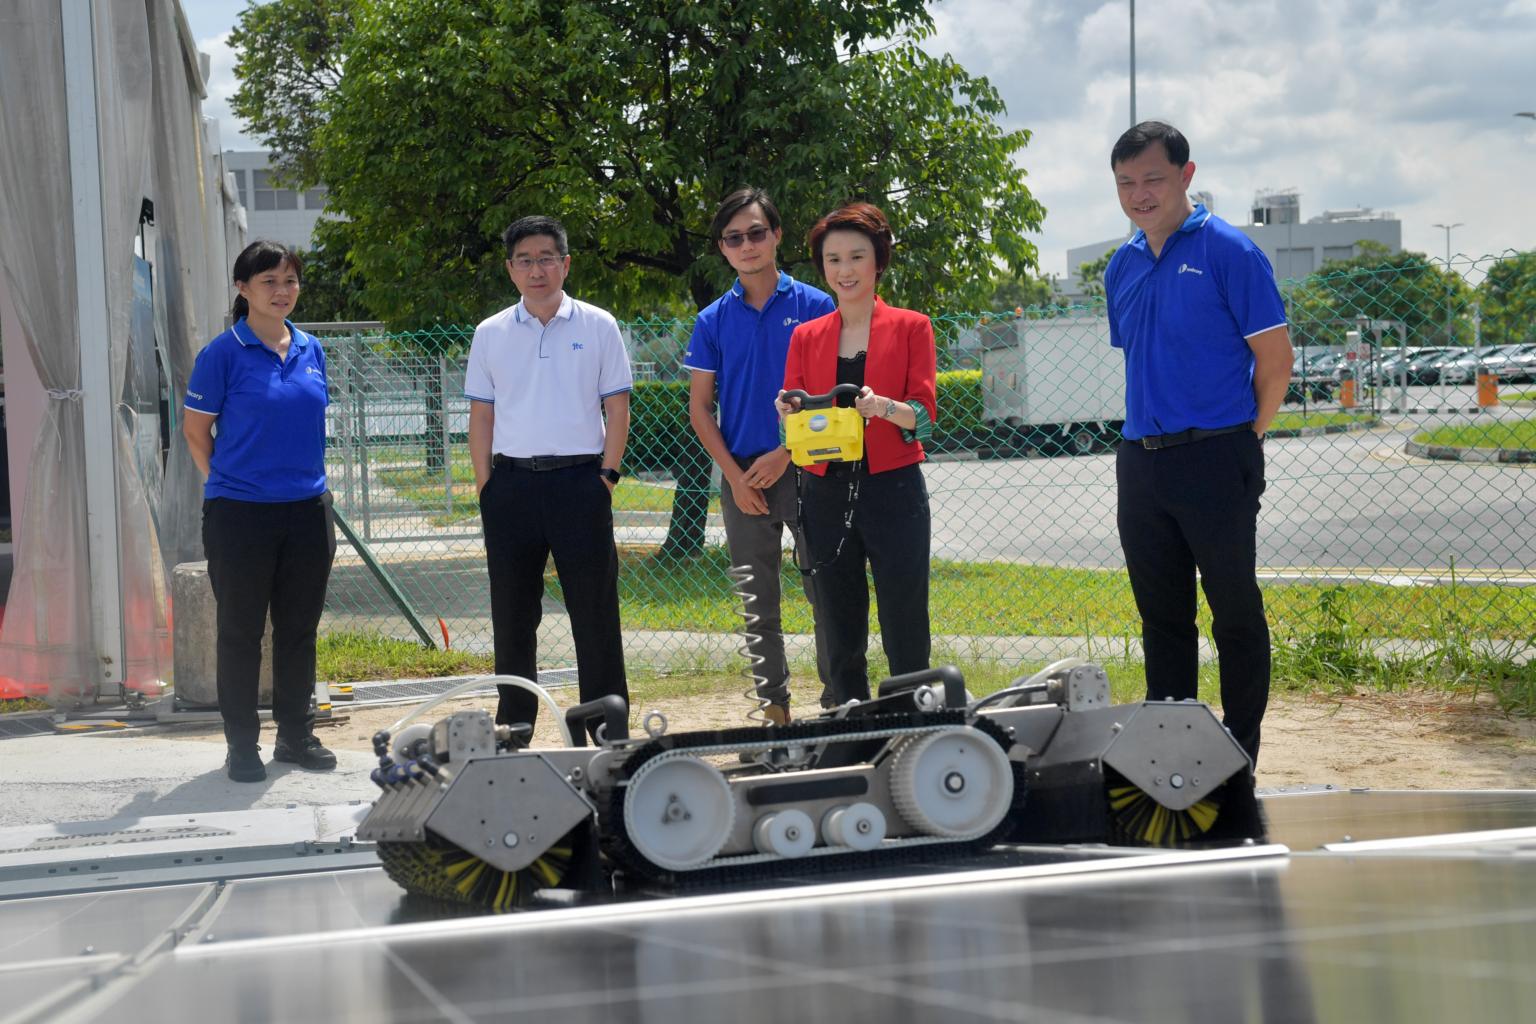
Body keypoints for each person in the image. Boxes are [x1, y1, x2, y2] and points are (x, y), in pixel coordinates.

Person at [1104, 121, 1294, 765]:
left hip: (1217, 453)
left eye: (1153, 178)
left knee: (1234, 610)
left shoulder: (1229, 251)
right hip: (1142, 461)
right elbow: (1147, 356)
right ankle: (1178, 750)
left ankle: (1242, 749)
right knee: (1162, 619)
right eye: (1127, 182)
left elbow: (1275, 359)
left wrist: (1248, 437)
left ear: (1185, 176)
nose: (1140, 193)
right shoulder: (1121, 264)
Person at [465, 215, 632, 732]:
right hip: (510, 486)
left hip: (580, 484)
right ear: (510, 269)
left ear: (565, 263)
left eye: (546, 258)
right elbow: (481, 415)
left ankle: (605, 726)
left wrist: (606, 475)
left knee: (594, 613)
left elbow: (618, 406)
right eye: (524, 260)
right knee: (513, 615)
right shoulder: (490, 332)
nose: (536, 270)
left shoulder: (599, 325)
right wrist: (485, 487)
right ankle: (515, 725)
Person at [183, 240, 338, 783]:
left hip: (307, 513)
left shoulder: (312, 350)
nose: (282, 291)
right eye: (269, 281)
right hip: (241, 516)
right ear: (243, 288)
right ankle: (241, 745)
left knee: (300, 630)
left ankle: (296, 736)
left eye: (290, 280)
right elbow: (195, 433)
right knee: (241, 632)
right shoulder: (222, 354)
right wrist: (225, 486)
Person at [683, 188, 836, 723]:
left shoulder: (817, 306)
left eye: (756, 232)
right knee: (757, 603)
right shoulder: (712, 321)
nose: (746, 244)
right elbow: (701, 409)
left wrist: (786, 454)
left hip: (812, 470)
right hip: (742, 476)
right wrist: (736, 476)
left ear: (776, 236)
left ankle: (838, 702)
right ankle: (774, 711)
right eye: (733, 237)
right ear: (723, 249)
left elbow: (835, 400)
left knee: (828, 595)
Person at [776, 202, 937, 705]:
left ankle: (911, 715)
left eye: (856, 257)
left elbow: (926, 416)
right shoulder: (806, 336)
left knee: (903, 613)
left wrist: (884, 407)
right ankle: (851, 718)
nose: (844, 271)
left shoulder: (913, 326)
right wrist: (786, 411)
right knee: (838, 616)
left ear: (878, 261)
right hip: (824, 487)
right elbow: (793, 422)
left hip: (894, 486)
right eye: (833, 260)